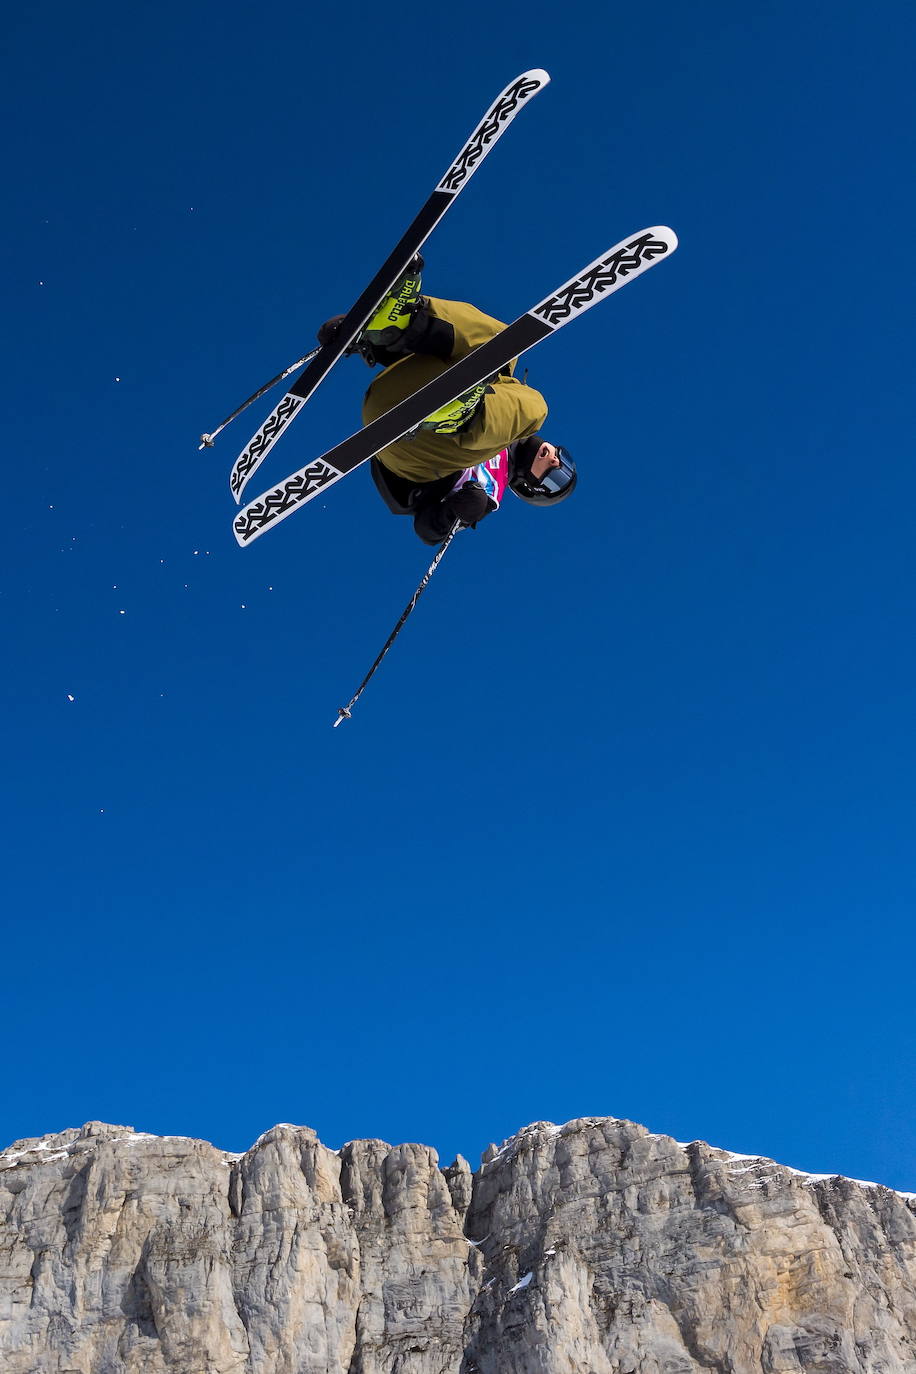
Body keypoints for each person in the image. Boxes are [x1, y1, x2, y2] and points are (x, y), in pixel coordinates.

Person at [318, 257, 577, 544]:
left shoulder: (491, 489)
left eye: (556, 477)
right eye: (564, 459)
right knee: (503, 346)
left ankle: (459, 416)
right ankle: (395, 326)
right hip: (399, 391)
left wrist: (456, 512)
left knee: (535, 408)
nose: (555, 461)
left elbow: (426, 529)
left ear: (530, 487)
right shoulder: (509, 399)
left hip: (410, 450)